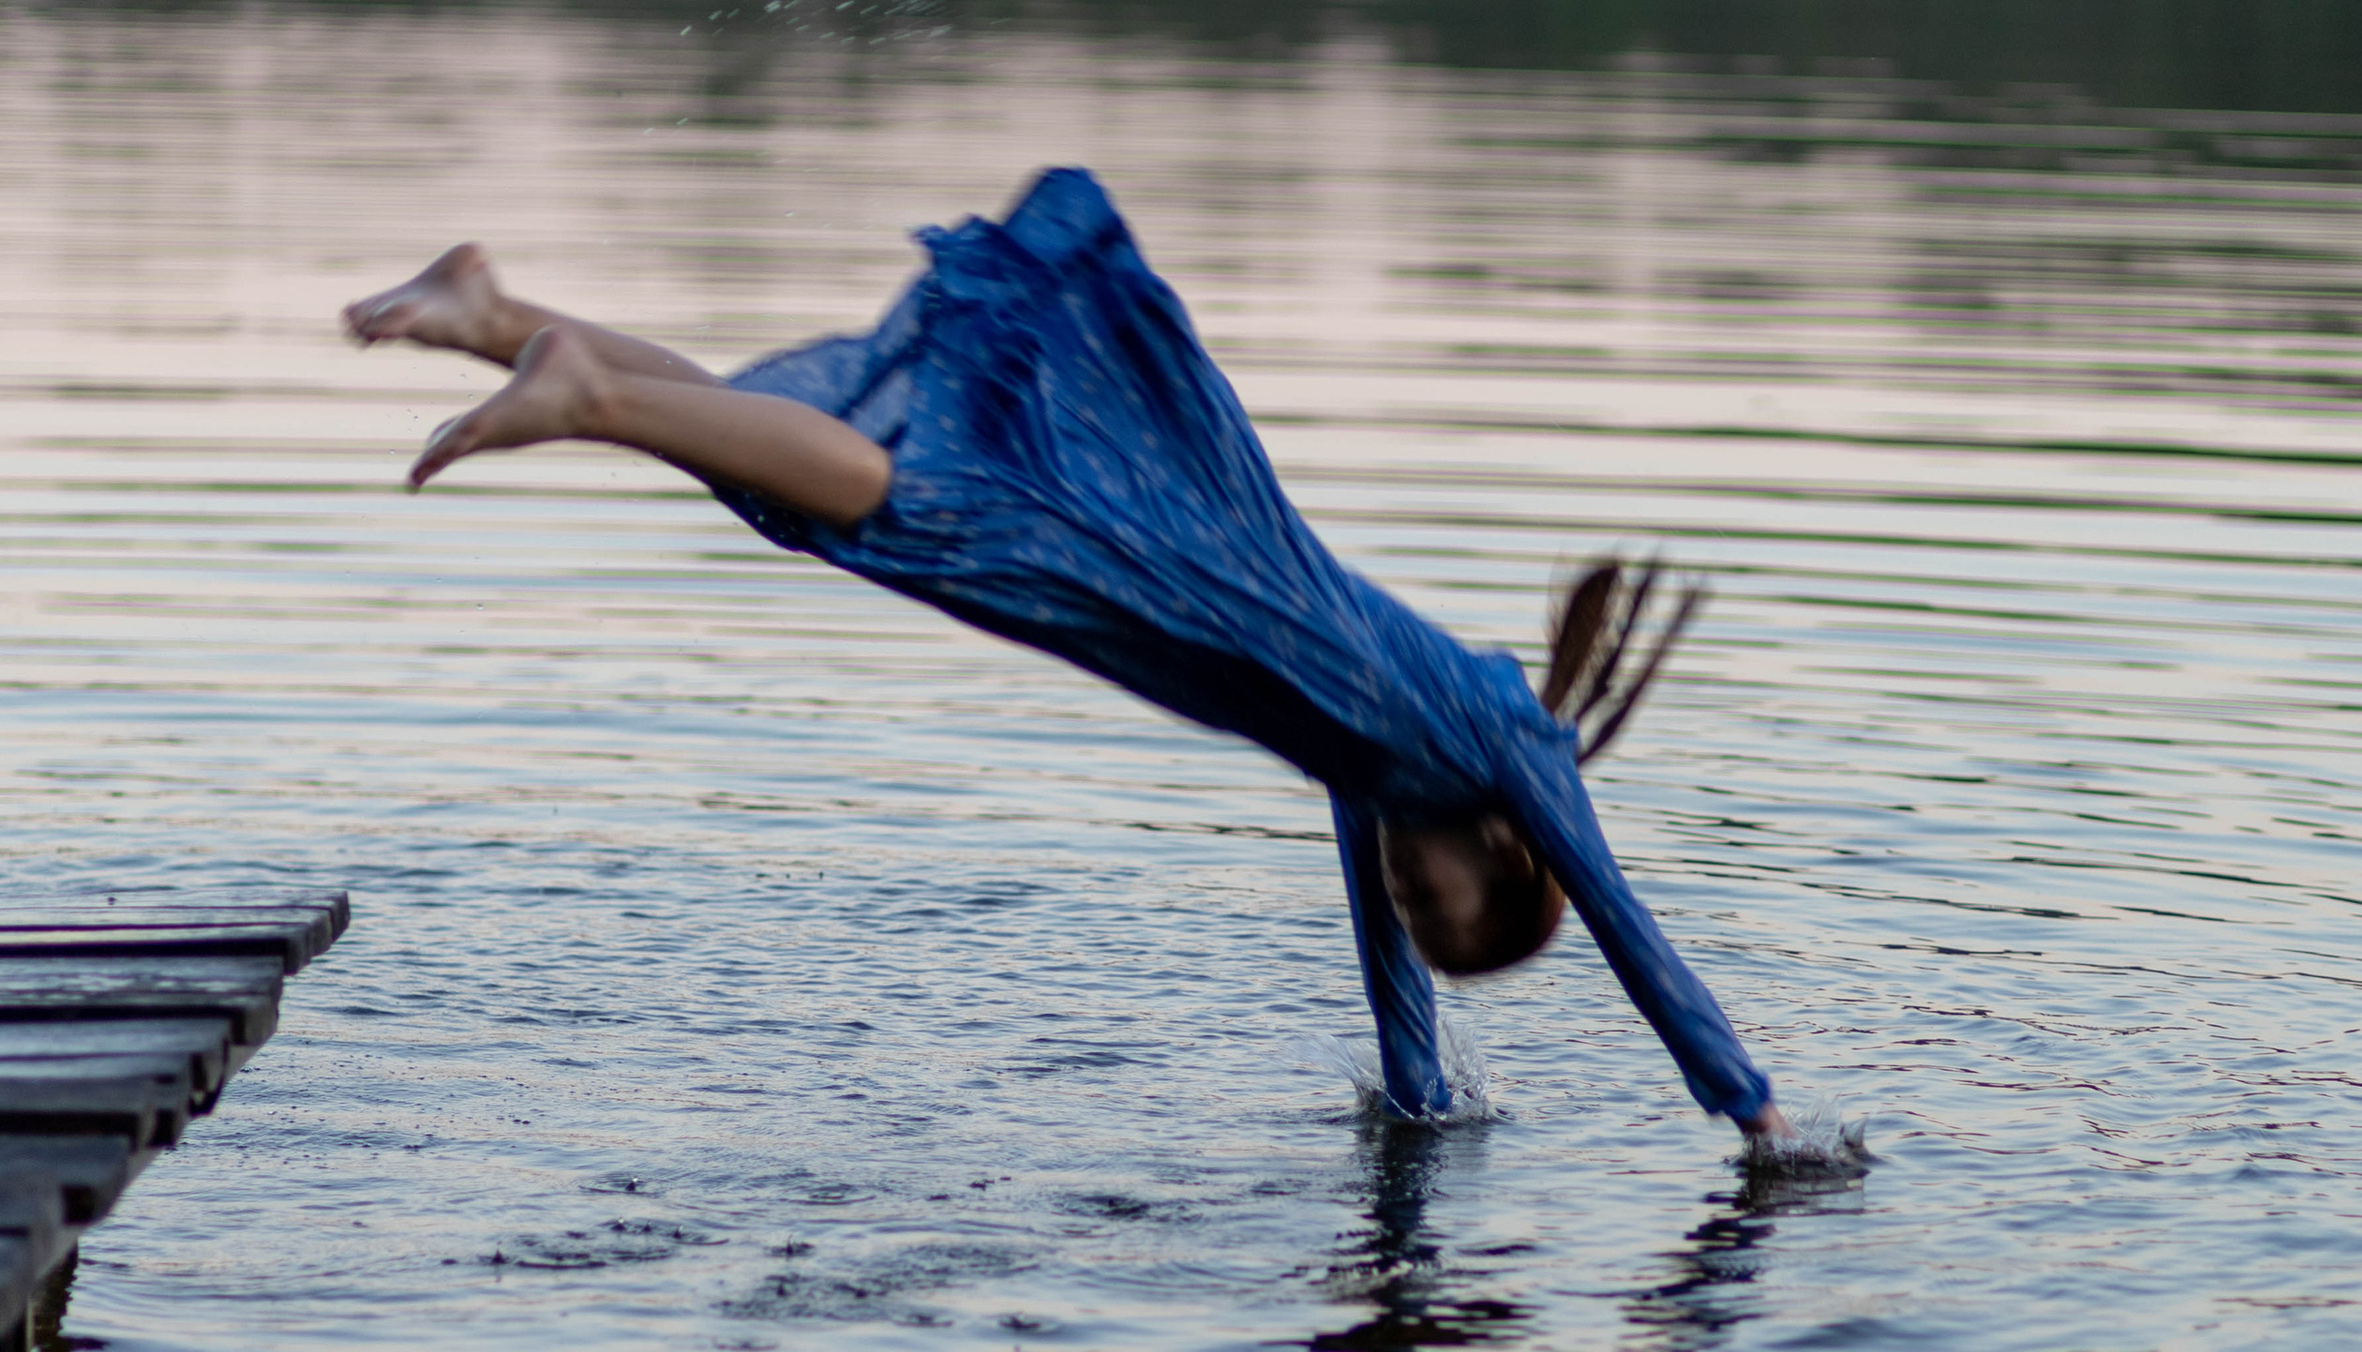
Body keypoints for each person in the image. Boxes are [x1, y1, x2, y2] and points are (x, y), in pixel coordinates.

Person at [344, 166, 1789, 1147]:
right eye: (1442, 897)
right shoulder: (1506, 750)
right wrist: (1755, 1119)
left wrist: (1417, 1107)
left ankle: (499, 319)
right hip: (1196, 569)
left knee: (839, 471)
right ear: (1504, 848)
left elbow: (1387, 988)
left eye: (1418, 909)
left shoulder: (1382, 784)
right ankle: (589, 392)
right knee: (916, 503)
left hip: (1175, 611)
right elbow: (1629, 933)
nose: (1408, 898)